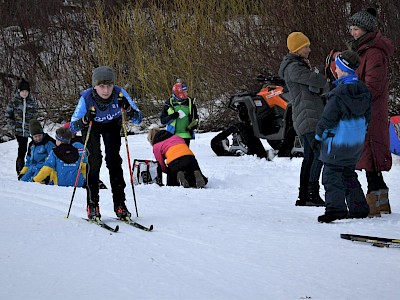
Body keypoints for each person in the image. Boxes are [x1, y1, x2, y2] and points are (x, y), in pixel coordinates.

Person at [70, 66, 142, 221]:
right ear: (95, 86)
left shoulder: (119, 93)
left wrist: (127, 108)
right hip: (92, 126)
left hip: (112, 125)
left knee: (114, 161)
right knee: (94, 160)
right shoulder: (87, 98)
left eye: (109, 85)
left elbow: (138, 118)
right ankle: (93, 205)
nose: (106, 90)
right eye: (102, 86)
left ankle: (120, 204)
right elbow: (72, 126)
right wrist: (85, 118)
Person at [314, 50, 371, 223]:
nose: (335, 71)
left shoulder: (338, 95)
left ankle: (336, 209)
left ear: (344, 70)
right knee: (348, 173)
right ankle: (359, 207)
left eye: (337, 68)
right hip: (354, 144)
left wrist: (318, 137)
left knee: (331, 175)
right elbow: (368, 117)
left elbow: (327, 120)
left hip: (337, 144)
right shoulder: (364, 92)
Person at [347, 8, 394, 216]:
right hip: (366, 111)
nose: (352, 33)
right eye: (351, 28)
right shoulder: (365, 50)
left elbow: (372, 87)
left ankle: (373, 203)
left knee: (369, 156)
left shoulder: (373, 53)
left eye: (356, 29)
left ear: (366, 30)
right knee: (370, 158)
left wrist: (349, 90)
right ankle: (381, 201)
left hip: (370, 112)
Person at [278, 32, 328, 206]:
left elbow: (314, 87)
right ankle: (312, 194)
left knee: (310, 156)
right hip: (308, 116)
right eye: (306, 46)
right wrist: (325, 79)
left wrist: (318, 85)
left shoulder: (297, 65)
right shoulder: (294, 68)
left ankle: (304, 196)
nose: (309, 49)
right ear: (298, 49)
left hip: (307, 115)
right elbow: (317, 81)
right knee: (319, 154)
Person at [5, 79, 38, 176]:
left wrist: (35, 125)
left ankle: (33, 167)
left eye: (26, 92)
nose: (24, 93)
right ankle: (20, 170)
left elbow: (35, 115)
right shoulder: (14, 102)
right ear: (19, 91)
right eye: (23, 92)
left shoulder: (31, 102)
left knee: (33, 148)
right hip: (19, 131)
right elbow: (7, 115)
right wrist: (13, 126)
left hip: (30, 130)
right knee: (22, 150)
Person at [160, 80, 199, 146]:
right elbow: (163, 121)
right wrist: (172, 116)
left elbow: (195, 118)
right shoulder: (168, 104)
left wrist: (194, 125)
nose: (187, 93)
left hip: (186, 135)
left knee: (184, 154)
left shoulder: (191, 103)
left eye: (186, 91)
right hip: (172, 135)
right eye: (185, 92)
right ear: (179, 93)